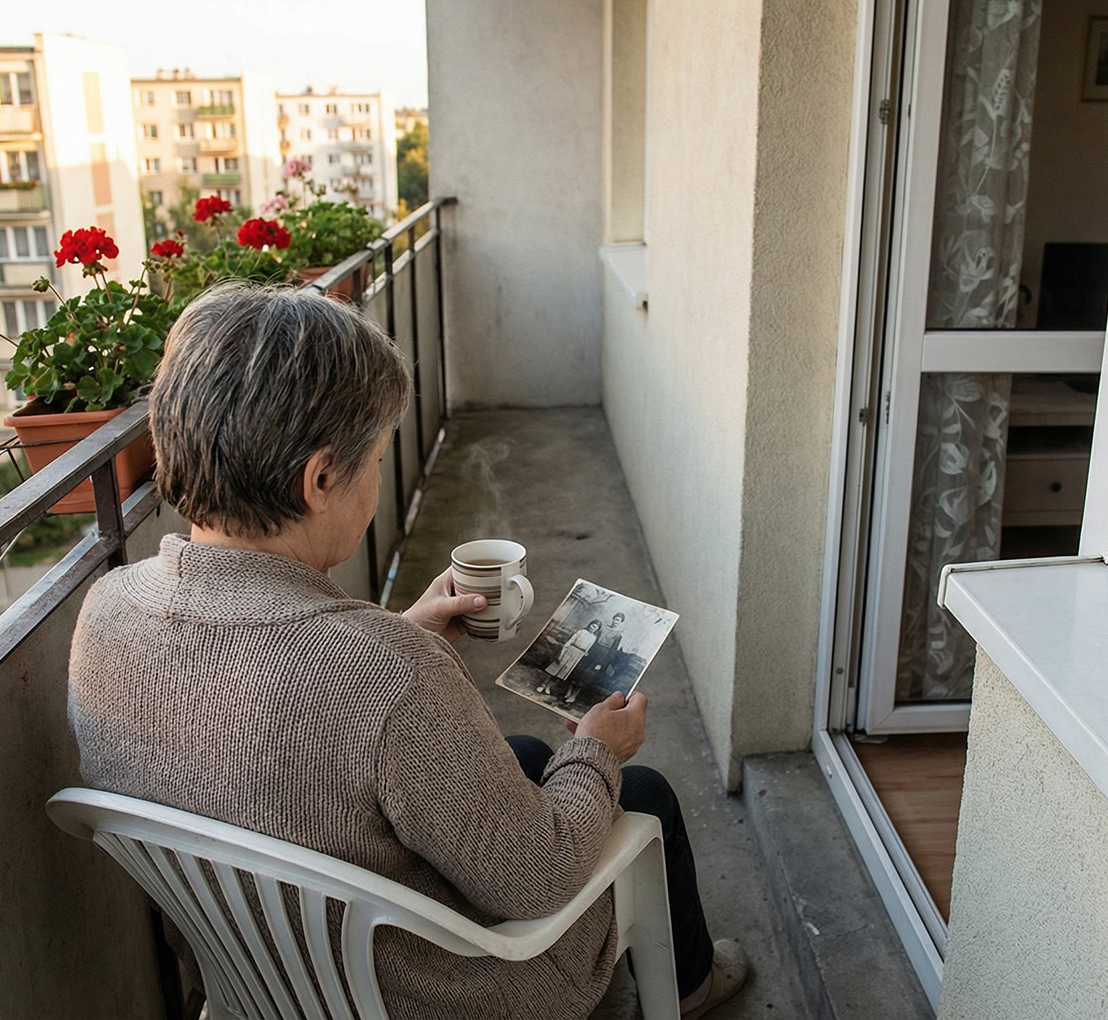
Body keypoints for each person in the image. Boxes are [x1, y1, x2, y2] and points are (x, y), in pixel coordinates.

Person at [68, 284, 748, 1020]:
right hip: (423, 994)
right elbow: (540, 877)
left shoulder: (108, 610)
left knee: (521, 754)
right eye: (377, 459)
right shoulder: (387, 671)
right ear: (320, 479)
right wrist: (597, 750)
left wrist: (402, 632)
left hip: (255, 972)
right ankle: (691, 987)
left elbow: (271, 697)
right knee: (641, 793)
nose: (377, 481)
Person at [540, 619, 600, 699]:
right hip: (570, 650)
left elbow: (587, 649)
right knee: (557, 668)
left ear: (597, 630)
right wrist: (562, 653)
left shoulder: (593, 638)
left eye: (595, 627)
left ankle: (549, 686)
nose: (593, 628)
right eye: (593, 625)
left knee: (563, 672)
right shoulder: (581, 632)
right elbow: (569, 642)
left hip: (578, 655)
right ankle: (543, 685)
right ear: (590, 624)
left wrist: (583, 654)